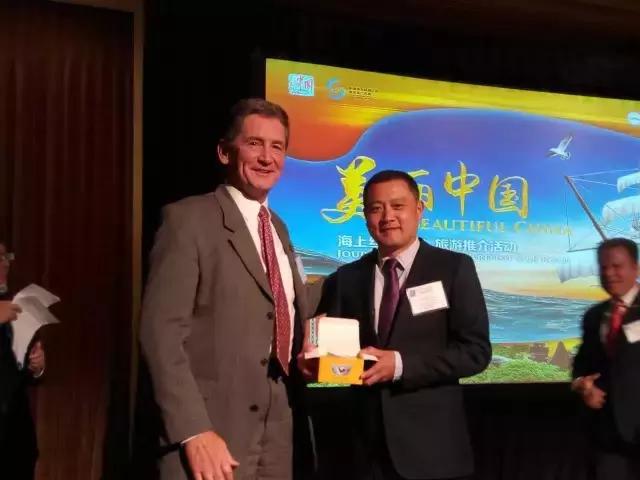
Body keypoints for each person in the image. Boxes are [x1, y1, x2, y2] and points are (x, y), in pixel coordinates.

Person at [140, 98, 309, 480]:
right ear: (224, 152)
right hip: (211, 431)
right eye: (254, 143)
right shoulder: (188, 220)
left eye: (277, 146)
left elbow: (277, 313)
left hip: (277, 431)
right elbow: (160, 334)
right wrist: (193, 430)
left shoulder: (279, 228)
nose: (267, 157)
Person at [302, 170, 491, 480]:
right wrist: (313, 358)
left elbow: (476, 352)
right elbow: (330, 341)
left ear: (419, 209)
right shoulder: (347, 278)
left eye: (398, 206)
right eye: (376, 208)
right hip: (364, 452)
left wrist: (401, 365)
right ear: (365, 217)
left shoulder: (454, 267)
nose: (387, 217)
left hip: (432, 453)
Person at [572, 237, 640, 479]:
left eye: (617, 266)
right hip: (607, 436)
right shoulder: (594, 316)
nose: (609, 273)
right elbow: (581, 365)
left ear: (636, 268)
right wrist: (582, 384)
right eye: (603, 267)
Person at [0, 239, 46, 480]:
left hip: (16, 439)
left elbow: (23, 374)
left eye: (6, 257)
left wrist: (37, 367)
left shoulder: (16, 306)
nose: (5, 263)